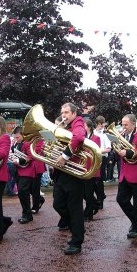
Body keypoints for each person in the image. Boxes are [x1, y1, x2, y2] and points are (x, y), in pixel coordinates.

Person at [52, 103, 86, 254]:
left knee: (75, 209)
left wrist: (64, 156)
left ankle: (77, 241)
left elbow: (78, 136)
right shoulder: (64, 126)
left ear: (73, 113)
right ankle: (75, 230)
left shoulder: (78, 122)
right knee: (58, 204)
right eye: (62, 112)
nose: (63, 115)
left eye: (66, 112)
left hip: (73, 173)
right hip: (62, 172)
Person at [114, 114, 137, 238]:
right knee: (121, 199)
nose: (123, 127)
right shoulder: (122, 135)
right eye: (122, 124)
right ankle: (136, 220)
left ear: (133, 124)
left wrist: (128, 152)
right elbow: (119, 152)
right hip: (125, 173)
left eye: (125, 125)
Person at [11, 126, 35, 224]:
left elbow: (32, 156)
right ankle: (26, 213)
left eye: (18, 137)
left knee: (22, 191)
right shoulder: (16, 143)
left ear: (22, 135)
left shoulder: (27, 143)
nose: (16, 139)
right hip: (19, 170)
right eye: (15, 137)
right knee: (21, 193)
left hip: (27, 171)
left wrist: (20, 160)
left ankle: (27, 215)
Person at [83, 118, 101, 221]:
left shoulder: (96, 138)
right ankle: (95, 204)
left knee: (89, 192)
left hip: (91, 168)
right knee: (84, 193)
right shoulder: (83, 137)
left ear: (89, 127)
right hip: (83, 167)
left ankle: (88, 214)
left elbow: (96, 151)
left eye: (84, 126)